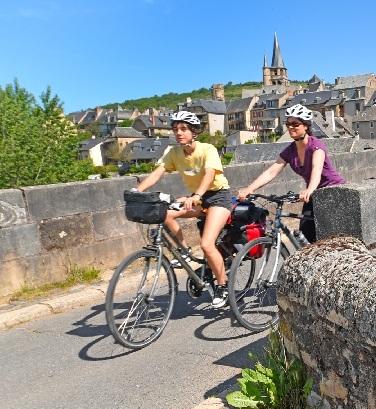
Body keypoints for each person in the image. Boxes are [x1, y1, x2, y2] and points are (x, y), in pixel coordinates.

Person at [134, 110, 233, 308]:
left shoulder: (208, 149)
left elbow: (209, 174)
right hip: (198, 198)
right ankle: (185, 251)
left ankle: (223, 286)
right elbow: (157, 174)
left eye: (184, 129)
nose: (179, 133)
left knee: (206, 244)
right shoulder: (174, 153)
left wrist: (196, 196)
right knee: (165, 214)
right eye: (175, 129)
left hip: (218, 197)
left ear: (194, 131)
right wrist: (136, 191)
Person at [237, 104, 345, 242]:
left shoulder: (316, 146)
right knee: (305, 236)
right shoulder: (290, 150)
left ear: (305, 126)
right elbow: (271, 171)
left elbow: (316, 168)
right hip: (312, 194)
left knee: (329, 236)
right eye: (288, 124)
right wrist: (249, 189)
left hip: (333, 191)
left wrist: (310, 189)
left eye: (295, 123)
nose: (290, 127)